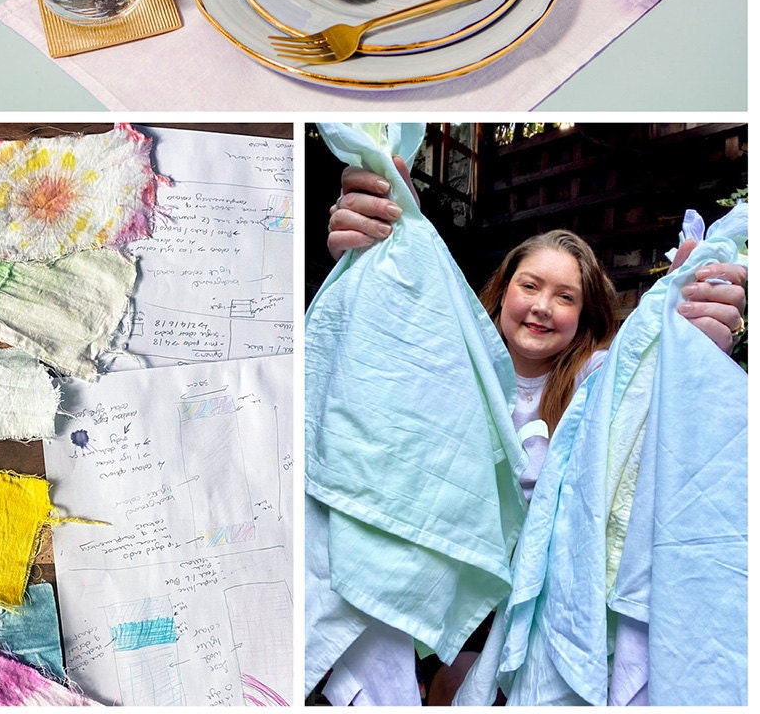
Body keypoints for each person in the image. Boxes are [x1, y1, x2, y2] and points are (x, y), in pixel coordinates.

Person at [319, 156, 746, 704]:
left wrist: (691, 346)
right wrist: (379, 258)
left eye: (566, 297)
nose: (543, 307)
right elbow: (383, 364)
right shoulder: (445, 361)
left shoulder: (599, 381)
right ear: (502, 291)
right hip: (426, 599)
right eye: (531, 286)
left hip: (536, 619)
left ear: (585, 314)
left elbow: (648, 409)